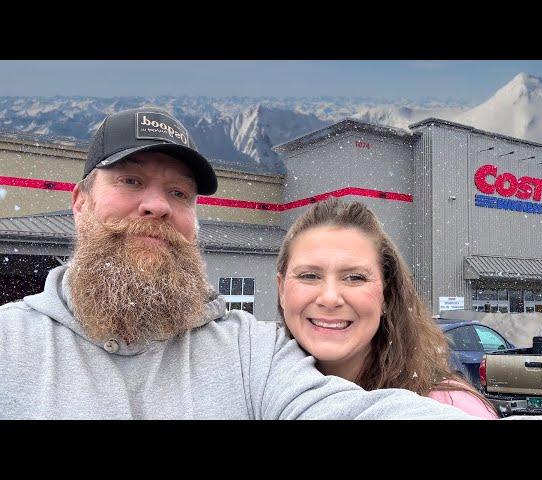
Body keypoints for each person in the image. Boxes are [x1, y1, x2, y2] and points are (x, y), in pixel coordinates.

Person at [0, 106, 484, 420]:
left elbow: (344, 410)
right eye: (130, 181)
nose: (158, 206)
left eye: (178, 192)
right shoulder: (11, 345)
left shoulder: (252, 351)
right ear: (80, 202)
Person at [276, 198, 498, 418]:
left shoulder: (451, 409)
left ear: (386, 294)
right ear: (282, 290)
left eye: (354, 277)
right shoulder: (257, 398)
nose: (330, 298)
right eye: (309, 276)